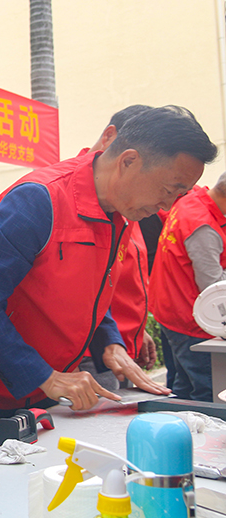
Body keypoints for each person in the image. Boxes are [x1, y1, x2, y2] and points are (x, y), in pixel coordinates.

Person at [0, 105, 217, 448]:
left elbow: (91, 287)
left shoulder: (121, 210)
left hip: (43, 380)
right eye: (168, 190)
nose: (166, 206)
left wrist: (109, 342)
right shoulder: (38, 200)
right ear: (129, 161)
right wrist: (45, 376)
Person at [77, 107, 158, 391]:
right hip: (91, 352)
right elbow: (80, 288)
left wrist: (136, 330)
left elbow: (119, 274)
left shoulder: (128, 199)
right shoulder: (67, 196)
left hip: (120, 344)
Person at [147, 171, 226, 401]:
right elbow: (213, 287)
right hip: (191, 321)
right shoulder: (203, 228)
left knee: (182, 385)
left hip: (171, 309)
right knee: (208, 390)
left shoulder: (193, 200)